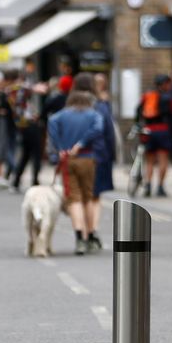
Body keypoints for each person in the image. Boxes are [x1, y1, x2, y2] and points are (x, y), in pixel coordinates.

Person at [47, 80, 104, 255]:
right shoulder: (93, 114)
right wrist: (82, 143)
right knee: (88, 197)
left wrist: (60, 148)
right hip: (87, 158)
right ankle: (90, 235)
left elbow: (51, 125)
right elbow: (99, 128)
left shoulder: (61, 115)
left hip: (67, 160)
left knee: (74, 199)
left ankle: (79, 237)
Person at [71, 72, 116, 252]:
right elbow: (108, 132)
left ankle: (80, 235)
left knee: (78, 197)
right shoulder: (100, 106)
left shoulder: (69, 107)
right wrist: (111, 155)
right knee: (94, 197)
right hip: (98, 155)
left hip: (74, 157)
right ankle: (91, 233)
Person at [6, 68, 45, 193]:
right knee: (36, 153)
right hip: (29, 124)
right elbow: (31, 89)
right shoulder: (18, 89)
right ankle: (34, 181)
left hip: (22, 126)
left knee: (26, 154)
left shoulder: (10, 91)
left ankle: (17, 181)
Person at [135, 74, 172, 197]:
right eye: (168, 83)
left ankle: (147, 185)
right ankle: (160, 187)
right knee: (163, 160)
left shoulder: (147, 96)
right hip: (163, 130)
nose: (170, 86)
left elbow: (138, 112)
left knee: (150, 160)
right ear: (163, 84)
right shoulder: (168, 97)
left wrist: (139, 125)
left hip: (149, 131)